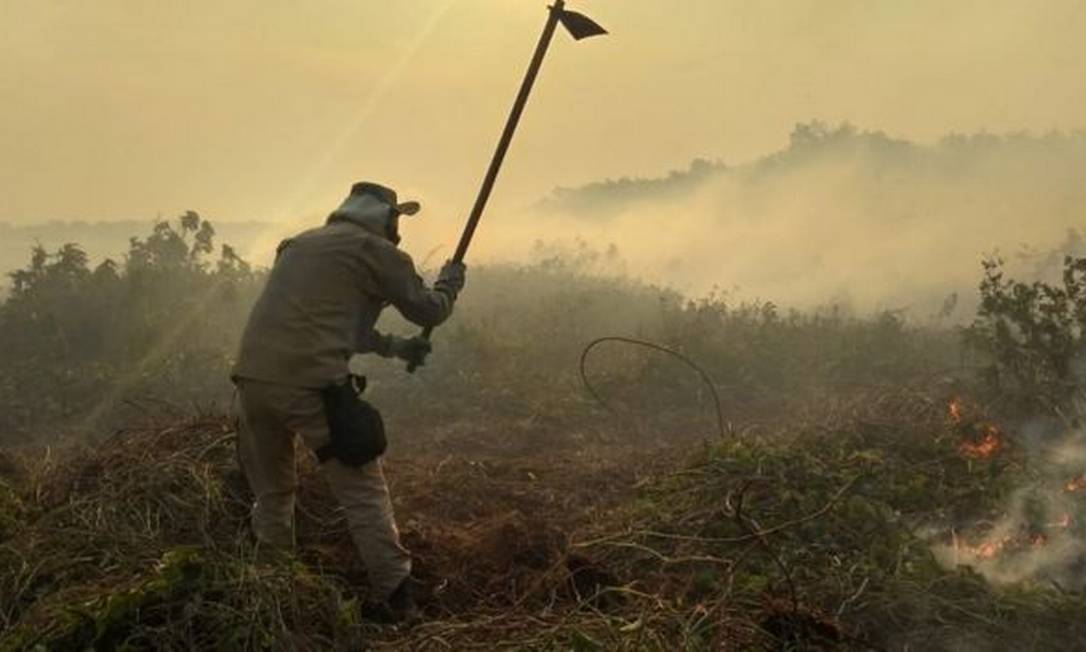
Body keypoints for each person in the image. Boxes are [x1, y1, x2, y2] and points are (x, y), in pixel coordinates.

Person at [231, 181, 465, 620]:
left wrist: (398, 348)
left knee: (273, 493)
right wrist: (450, 284)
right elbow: (429, 310)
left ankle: (272, 596)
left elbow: (346, 328)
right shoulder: (377, 252)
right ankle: (398, 597)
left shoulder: (301, 245)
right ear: (386, 219)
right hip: (310, 385)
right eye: (398, 219)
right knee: (363, 493)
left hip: (252, 380)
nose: (399, 230)